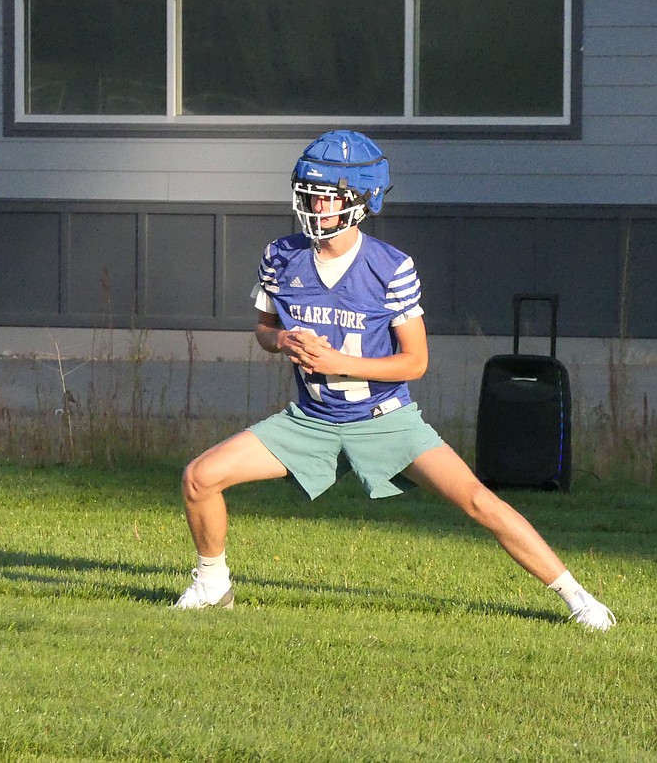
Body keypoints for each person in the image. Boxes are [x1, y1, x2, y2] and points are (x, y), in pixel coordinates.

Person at [174, 130, 615, 630]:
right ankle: (212, 584)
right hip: (312, 420)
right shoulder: (281, 254)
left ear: (362, 199)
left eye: (328, 194)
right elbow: (265, 330)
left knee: (477, 500)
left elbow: (415, 363)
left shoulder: (390, 267)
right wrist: (283, 343)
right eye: (310, 192)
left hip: (384, 419)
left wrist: (338, 362)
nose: (315, 204)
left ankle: (577, 597)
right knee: (199, 477)